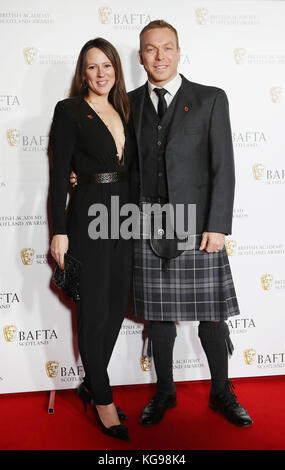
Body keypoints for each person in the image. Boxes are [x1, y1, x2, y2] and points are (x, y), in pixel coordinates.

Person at [128, 20, 253, 427]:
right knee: (158, 318)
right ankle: (165, 392)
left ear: (179, 52)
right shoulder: (128, 104)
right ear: (141, 55)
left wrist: (217, 225)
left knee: (212, 316)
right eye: (150, 49)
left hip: (199, 226)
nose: (159, 56)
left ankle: (221, 392)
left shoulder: (210, 99)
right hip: (147, 224)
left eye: (167, 48)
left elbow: (224, 168)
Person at [50, 37, 137, 441]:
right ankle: (103, 399)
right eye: (92, 67)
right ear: (82, 73)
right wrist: (60, 232)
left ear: (116, 69)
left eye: (107, 66)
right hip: (86, 216)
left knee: (117, 304)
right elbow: (57, 179)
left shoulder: (126, 108)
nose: (101, 74)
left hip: (125, 218)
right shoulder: (68, 111)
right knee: (93, 311)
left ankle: (91, 383)